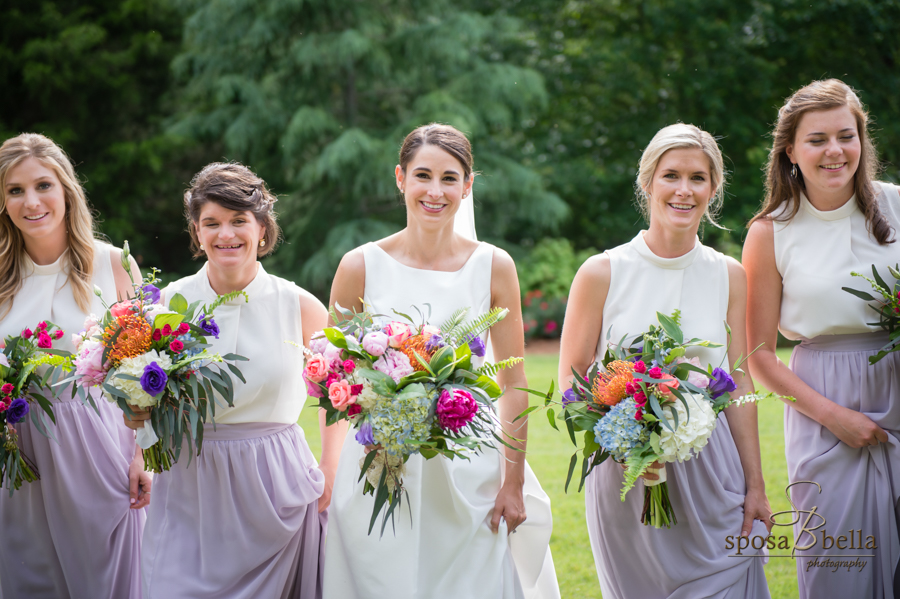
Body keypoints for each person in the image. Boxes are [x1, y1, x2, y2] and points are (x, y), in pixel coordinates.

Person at [323, 123, 559, 599]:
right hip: (377, 465)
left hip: (469, 469)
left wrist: (512, 482)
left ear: (468, 186)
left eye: (450, 178)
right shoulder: (359, 266)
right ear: (400, 178)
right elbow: (336, 382)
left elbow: (513, 384)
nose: (435, 191)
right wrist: (329, 477)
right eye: (423, 175)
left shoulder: (494, 266)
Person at [558, 123, 772, 598]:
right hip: (628, 473)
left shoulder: (729, 276)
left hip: (712, 470)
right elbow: (571, 386)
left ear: (714, 189)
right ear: (647, 182)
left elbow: (737, 384)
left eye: (698, 178)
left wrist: (755, 485)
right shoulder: (601, 272)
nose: (684, 190)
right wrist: (630, 441)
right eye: (671, 175)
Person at [126, 162, 343, 598]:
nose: (226, 234)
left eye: (239, 221)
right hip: (191, 489)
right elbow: (140, 392)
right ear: (196, 231)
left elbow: (338, 398)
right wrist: (137, 453)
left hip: (275, 489)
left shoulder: (300, 306)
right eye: (212, 223)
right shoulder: (167, 303)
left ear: (262, 229)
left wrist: (331, 470)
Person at [744, 79, 900, 599]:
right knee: (838, 561)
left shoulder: (897, 207)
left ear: (861, 140)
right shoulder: (771, 231)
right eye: (817, 140)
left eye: (846, 135)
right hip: (821, 406)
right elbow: (758, 355)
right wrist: (836, 417)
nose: (835, 151)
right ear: (790, 150)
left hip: (896, 385)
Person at [0, 133, 148, 598]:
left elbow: (146, 372)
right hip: (18, 458)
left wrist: (144, 454)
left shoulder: (111, 265)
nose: (32, 202)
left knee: (104, 580)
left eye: (43, 185)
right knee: (28, 576)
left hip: (99, 446)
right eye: (15, 190)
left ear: (66, 189)